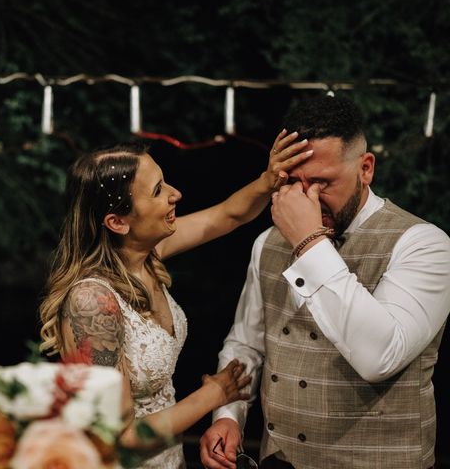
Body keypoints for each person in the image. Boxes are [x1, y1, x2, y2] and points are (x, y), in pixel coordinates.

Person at [200, 95, 450, 469]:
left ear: (365, 169)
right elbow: (246, 344)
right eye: (295, 183)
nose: (308, 199)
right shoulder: (267, 242)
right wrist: (227, 416)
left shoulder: (424, 244)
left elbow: (379, 358)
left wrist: (308, 242)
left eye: (322, 182)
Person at [39, 134, 312, 469]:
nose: (175, 194)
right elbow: (119, 439)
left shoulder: (146, 255)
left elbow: (229, 215)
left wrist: (269, 180)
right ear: (117, 222)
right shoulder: (92, 303)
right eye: (157, 191)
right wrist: (212, 397)